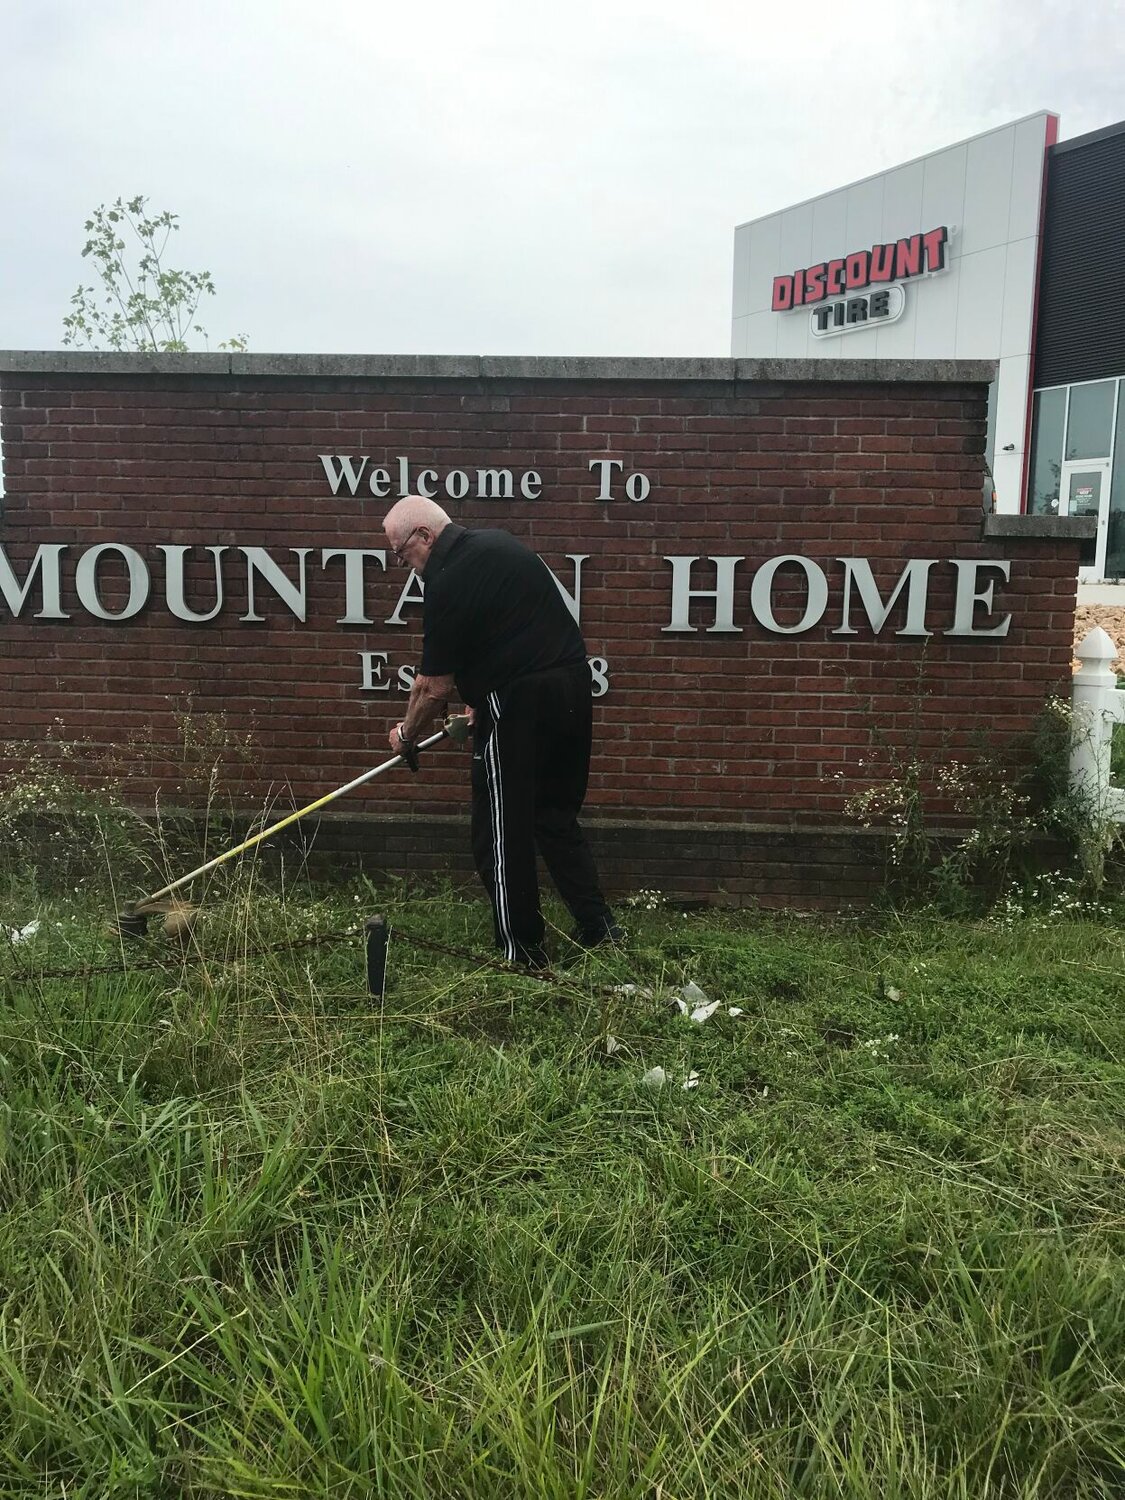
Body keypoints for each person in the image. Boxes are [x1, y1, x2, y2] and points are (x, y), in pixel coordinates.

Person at [383, 496, 621, 968]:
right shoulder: (498, 545)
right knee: (553, 817)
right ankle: (600, 930)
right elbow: (508, 632)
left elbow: (432, 688)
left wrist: (406, 736)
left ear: (425, 537)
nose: (403, 565)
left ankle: (523, 953)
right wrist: (481, 695)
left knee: (498, 830)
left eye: (400, 553)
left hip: (519, 705)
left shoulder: (446, 580)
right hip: (572, 692)